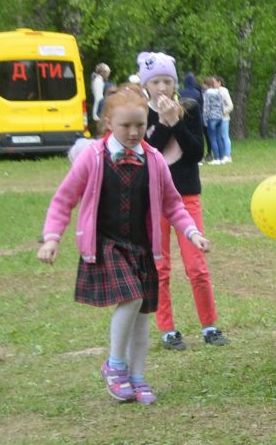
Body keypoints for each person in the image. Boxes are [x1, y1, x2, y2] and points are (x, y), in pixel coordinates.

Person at [37, 86, 210, 406]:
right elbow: (64, 200)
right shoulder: (92, 157)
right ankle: (115, 366)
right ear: (107, 124)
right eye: (125, 126)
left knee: (143, 314)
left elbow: (173, 205)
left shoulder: (154, 159)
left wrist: (191, 233)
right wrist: (52, 238)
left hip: (142, 246)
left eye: (140, 126)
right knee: (130, 297)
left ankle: (138, 376)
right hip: (106, 243)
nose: (133, 132)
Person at [138, 52, 225, 350]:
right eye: (156, 82)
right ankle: (167, 329)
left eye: (167, 81)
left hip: (186, 195)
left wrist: (175, 121)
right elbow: (147, 154)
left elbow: (196, 152)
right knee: (160, 266)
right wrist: (162, 124)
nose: (162, 87)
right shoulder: (140, 115)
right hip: (154, 198)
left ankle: (210, 325)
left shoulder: (189, 107)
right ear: (146, 85)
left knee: (196, 265)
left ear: (174, 83)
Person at [202, 76, 233, 165]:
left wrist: (205, 119)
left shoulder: (208, 93)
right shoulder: (218, 92)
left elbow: (206, 107)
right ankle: (222, 156)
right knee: (219, 138)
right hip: (220, 118)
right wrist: (220, 113)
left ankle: (217, 158)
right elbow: (220, 105)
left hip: (212, 117)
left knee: (213, 138)